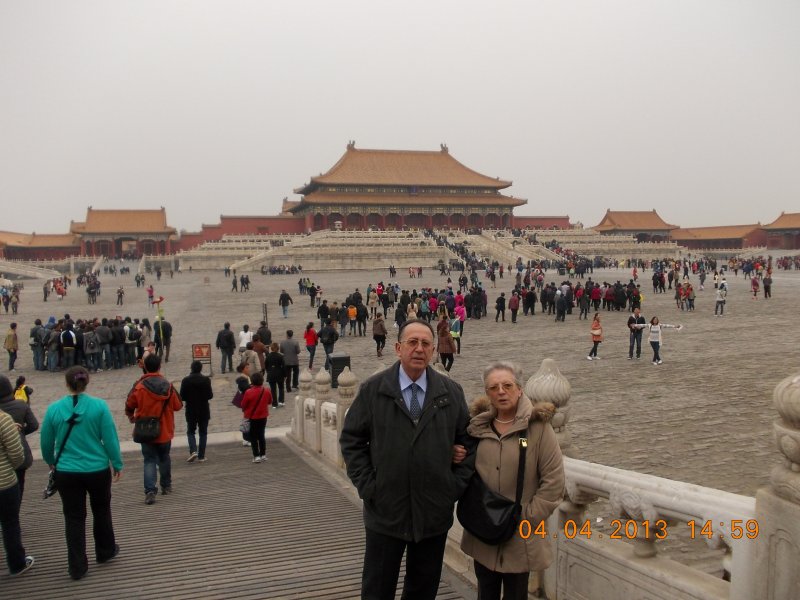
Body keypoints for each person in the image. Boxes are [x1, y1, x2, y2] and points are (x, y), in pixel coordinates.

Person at [339, 318, 475, 600]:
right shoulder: (374, 390)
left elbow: (468, 443)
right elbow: (352, 441)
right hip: (385, 510)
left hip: (433, 510)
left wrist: (452, 488)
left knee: (423, 589)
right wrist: (369, 487)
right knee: (377, 588)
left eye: (426, 344)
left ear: (434, 350)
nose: (419, 349)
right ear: (398, 348)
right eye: (412, 342)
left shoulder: (450, 392)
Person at [461, 361, 565, 600]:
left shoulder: (537, 428)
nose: (501, 391)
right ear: (487, 394)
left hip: (521, 532)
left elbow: (554, 481)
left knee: (516, 594)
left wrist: (526, 517)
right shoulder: (477, 427)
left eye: (507, 385)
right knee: (485, 591)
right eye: (494, 387)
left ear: (520, 389)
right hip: (483, 529)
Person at [40, 366, 122, 580]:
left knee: (73, 517)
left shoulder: (54, 409)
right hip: (97, 469)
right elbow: (110, 439)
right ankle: (105, 551)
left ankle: (77, 566)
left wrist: (51, 462)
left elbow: (46, 442)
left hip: (66, 471)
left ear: (67, 383)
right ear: (87, 382)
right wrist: (117, 463)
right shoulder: (99, 407)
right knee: (102, 510)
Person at [125, 354, 183, 505]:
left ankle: (150, 491)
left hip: (146, 430)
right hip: (164, 430)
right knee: (164, 457)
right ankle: (166, 485)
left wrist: (131, 416)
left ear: (145, 367)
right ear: (159, 366)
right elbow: (178, 406)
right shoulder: (168, 386)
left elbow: (129, 404)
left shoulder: (139, 386)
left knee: (149, 460)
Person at [0, 409, 33, 576]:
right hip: (4, 482)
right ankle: (17, 563)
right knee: (10, 524)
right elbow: (17, 455)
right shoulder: (3, 420)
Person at [0, 375, 37, 498]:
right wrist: (19, 432)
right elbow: (34, 425)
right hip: (20, 453)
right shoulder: (21, 405)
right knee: (19, 487)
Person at [179, 360, 213, 463]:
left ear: (191, 368)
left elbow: (182, 396)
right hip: (203, 409)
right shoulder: (206, 380)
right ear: (201, 368)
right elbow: (210, 395)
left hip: (191, 409)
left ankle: (193, 450)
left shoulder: (185, 380)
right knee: (203, 432)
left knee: (190, 431)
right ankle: (201, 456)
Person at [240, 372, 271, 463]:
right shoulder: (266, 390)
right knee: (261, 435)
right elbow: (270, 401)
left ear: (252, 381)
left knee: (253, 437)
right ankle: (263, 454)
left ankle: (256, 455)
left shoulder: (248, 392)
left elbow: (243, 405)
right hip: (263, 416)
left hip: (252, 417)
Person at [265, 343, 285, 409]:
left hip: (271, 374)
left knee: (273, 390)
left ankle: (274, 403)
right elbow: (284, 366)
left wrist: (268, 371)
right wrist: (285, 375)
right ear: (278, 348)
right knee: (281, 388)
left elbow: (266, 366)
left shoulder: (268, 356)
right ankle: (281, 401)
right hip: (279, 373)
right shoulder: (280, 356)